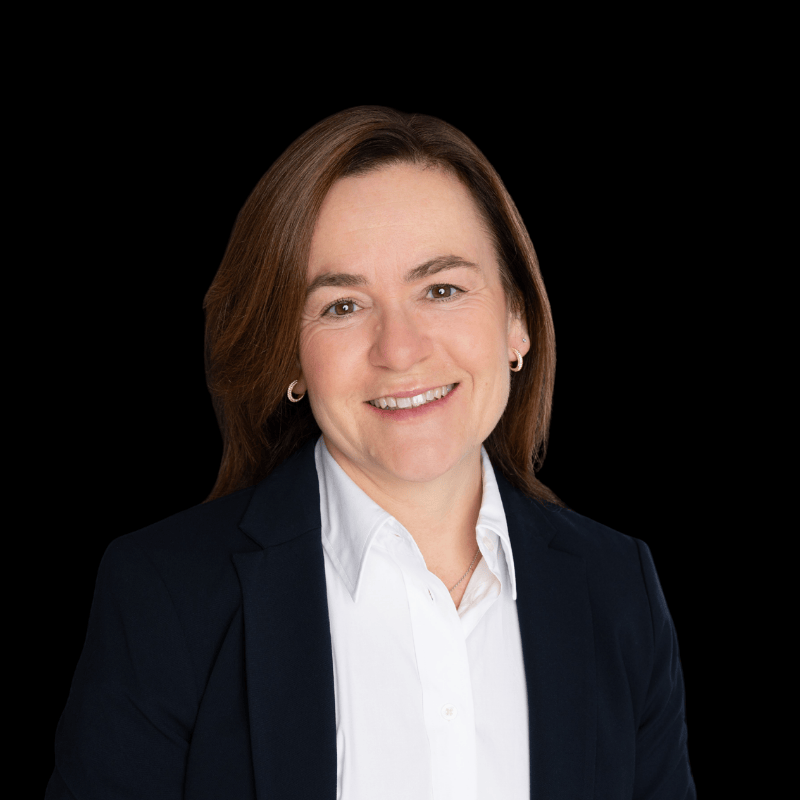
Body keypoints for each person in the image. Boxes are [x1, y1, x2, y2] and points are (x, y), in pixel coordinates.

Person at [46, 105, 695, 799]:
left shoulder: (617, 588)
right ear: (290, 357)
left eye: (441, 289)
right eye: (343, 306)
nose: (399, 350)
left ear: (517, 320)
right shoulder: (164, 595)